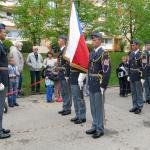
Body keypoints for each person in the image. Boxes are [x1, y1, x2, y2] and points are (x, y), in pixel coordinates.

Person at [85, 32, 111, 139]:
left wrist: (103, 85)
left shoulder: (104, 54)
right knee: (93, 106)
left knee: (99, 107)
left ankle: (100, 128)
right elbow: (89, 68)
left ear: (100, 40)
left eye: (95, 40)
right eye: (92, 40)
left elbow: (107, 71)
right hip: (91, 82)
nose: (93, 42)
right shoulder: (91, 53)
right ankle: (94, 125)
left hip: (99, 83)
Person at [0, 23, 11, 139]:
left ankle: (0, 127)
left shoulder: (1, 44)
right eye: (3, 32)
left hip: (3, 76)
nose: (5, 34)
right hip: (1, 79)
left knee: (1, 104)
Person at [57, 35, 72, 116]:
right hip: (61, 74)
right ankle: (64, 107)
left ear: (63, 41)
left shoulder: (66, 50)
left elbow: (68, 64)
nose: (58, 41)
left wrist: (67, 74)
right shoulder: (61, 50)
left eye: (59, 40)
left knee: (67, 92)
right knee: (63, 92)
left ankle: (68, 108)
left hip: (65, 74)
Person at [128, 40, 144, 114]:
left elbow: (144, 66)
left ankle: (139, 106)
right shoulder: (131, 54)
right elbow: (129, 65)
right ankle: (135, 106)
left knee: (139, 92)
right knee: (133, 92)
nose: (132, 46)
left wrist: (142, 77)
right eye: (132, 45)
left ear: (138, 46)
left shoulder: (141, 54)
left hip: (138, 75)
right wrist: (128, 74)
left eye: (134, 45)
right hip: (131, 75)